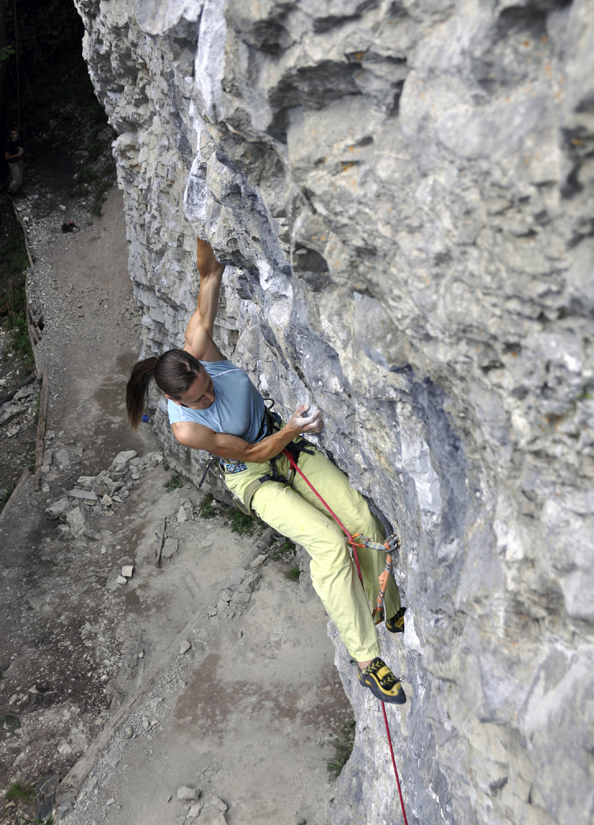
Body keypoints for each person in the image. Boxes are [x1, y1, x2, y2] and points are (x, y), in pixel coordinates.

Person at [126, 238, 407, 704]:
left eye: (206, 387)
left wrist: (203, 227)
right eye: (197, 400)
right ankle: (367, 660)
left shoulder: (198, 343)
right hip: (252, 474)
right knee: (330, 545)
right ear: (176, 402)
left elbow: (208, 275)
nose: (208, 399)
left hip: (281, 440)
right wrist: (295, 426)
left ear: (200, 363)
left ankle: (385, 604)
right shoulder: (187, 430)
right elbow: (253, 456)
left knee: (360, 518)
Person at [5, 127, 24, 195]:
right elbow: (7, 157)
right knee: (17, 181)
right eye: (14, 134)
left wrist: (21, 151)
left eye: (16, 133)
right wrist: (17, 154)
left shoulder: (19, 141)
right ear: (11, 136)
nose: (16, 135)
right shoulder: (9, 144)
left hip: (19, 160)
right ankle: (9, 190)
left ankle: (16, 192)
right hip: (13, 163)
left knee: (20, 178)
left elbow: (21, 150)